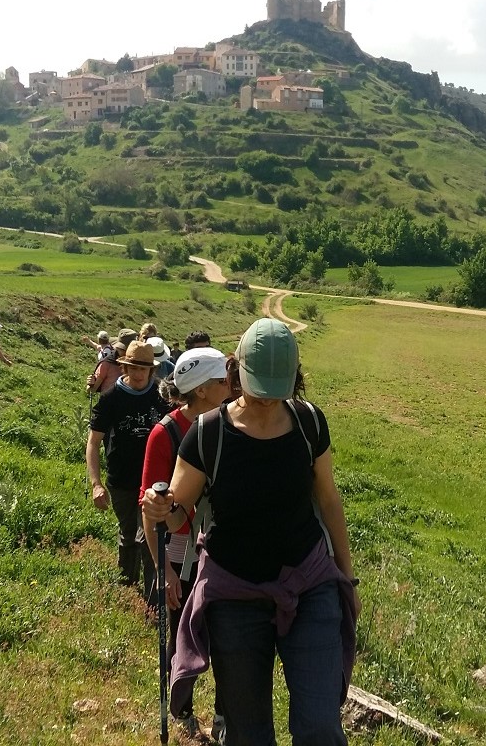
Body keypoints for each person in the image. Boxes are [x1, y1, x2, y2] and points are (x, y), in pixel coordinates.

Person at [144, 318, 358, 745]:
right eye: (259, 386)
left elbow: (329, 501)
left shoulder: (309, 424)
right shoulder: (208, 434)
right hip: (234, 592)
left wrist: (346, 578)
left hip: (309, 581)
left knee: (320, 726)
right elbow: (179, 513)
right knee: (248, 734)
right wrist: (160, 507)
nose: (266, 399)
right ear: (234, 369)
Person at [139, 347, 234, 735]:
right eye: (224, 380)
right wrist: (164, 573)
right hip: (179, 555)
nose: (231, 385)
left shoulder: (231, 425)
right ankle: (182, 711)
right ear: (203, 389)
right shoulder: (166, 434)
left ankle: (224, 715)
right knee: (182, 636)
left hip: (219, 551)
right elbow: (150, 507)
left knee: (226, 635)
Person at [88, 340, 172, 588]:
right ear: (125, 368)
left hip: (155, 481)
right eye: (133, 368)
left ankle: (151, 602)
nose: (138, 374)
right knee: (128, 537)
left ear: (151, 370)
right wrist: (96, 484)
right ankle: (127, 588)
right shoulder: (111, 398)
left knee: (149, 539)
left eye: (143, 369)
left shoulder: (161, 396)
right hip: (122, 479)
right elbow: (93, 443)